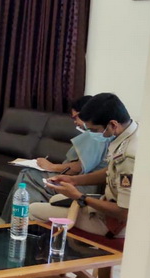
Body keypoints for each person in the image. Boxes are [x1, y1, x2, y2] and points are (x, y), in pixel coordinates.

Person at [31, 93, 138, 238]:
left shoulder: (128, 156)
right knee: (55, 200)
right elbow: (110, 171)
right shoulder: (130, 133)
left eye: (94, 130)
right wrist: (73, 180)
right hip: (108, 206)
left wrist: (79, 197)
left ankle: (54, 249)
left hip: (114, 224)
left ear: (113, 125)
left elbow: (125, 212)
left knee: (33, 210)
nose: (91, 134)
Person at [0, 96, 110, 222]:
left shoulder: (95, 136)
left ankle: (20, 222)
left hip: (82, 184)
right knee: (28, 174)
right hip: (74, 178)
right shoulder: (93, 134)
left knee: (29, 174)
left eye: (76, 117)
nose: (75, 122)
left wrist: (51, 167)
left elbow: (78, 167)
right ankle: (17, 221)